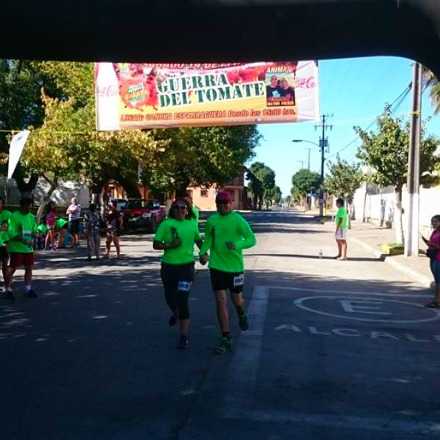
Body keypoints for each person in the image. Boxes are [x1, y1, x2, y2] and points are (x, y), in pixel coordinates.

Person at [199, 191, 256, 354]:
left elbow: (251, 239)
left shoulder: (238, 220)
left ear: (231, 204)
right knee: (220, 301)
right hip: (217, 266)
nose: (223, 206)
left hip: (235, 268)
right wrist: (203, 253)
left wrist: (237, 245)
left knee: (237, 300)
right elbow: (208, 239)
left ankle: (241, 313)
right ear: (217, 205)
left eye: (226, 203)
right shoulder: (212, 220)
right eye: (220, 203)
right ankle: (226, 336)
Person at [153, 199, 202, 349]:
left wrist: (204, 253)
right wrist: (169, 245)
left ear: (187, 210)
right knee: (169, 297)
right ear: (173, 210)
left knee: (183, 298)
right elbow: (156, 244)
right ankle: (175, 312)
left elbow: (198, 241)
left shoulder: (192, 224)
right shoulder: (166, 224)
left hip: (186, 268)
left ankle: (183, 335)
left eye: (183, 208)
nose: (181, 210)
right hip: (168, 267)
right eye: (177, 208)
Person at [4, 197, 37, 300]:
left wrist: (33, 235)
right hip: (16, 248)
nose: (29, 209)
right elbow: (10, 233)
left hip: (28, 248)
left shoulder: (31, 217)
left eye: (30, 207)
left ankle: (28, 288)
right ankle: (8, 289)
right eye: (27, 207)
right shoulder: (13, 216)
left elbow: (34, 231)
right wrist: (22, 238)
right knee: (12, 268)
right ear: (22, 206)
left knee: (29, 268)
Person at [423, 215, 440, 308]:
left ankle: (437, 301)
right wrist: (428, 243)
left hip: (438, 259)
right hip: (433, 258)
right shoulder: (435, 232)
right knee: (437, 280)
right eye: (432, 222)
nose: (433, 223)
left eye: (436, 222)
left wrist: (432, 244)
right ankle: (436, 300)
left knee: (438, 282)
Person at [0, 198, 12, 290]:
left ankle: (7, 286)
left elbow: (11, 227)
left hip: (5, 243)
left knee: (5, 265)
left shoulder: (7, 214)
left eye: (0, 203)